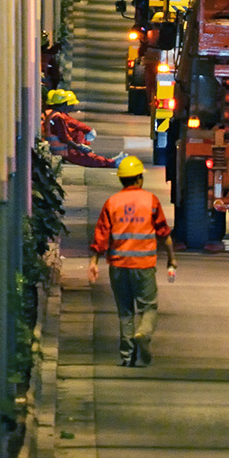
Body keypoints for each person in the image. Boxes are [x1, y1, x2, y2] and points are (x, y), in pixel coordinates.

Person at [88, 155, 176, 367]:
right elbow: (164, 234)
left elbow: (101, 236)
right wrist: (171, 259)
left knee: (125, 311)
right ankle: (143, 333)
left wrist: (94, 262)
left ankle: (127, 356)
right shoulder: (151, 201)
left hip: (118, 266)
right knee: (149, 307)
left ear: (121, 179)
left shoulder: (112, 203)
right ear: (139, 179)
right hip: (143, 266)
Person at [43, 90, 120, 169]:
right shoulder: (58, 117)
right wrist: (79, 147)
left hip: (58, 148)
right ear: (65, 104)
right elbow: (64, 137)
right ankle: (111, 163)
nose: (72, 107)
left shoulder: (53, 114)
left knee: (85, 155)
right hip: (61, 150)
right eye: (71, 105)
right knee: (86, 158)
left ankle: (110, 162)